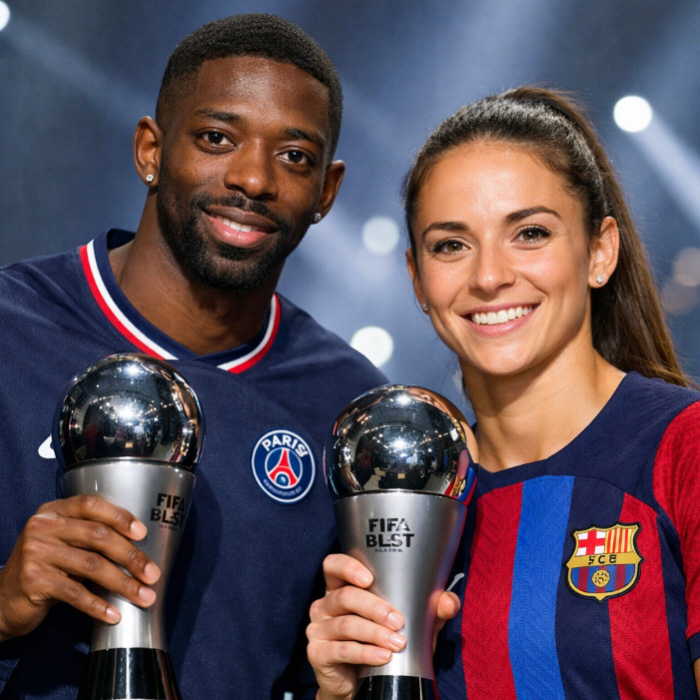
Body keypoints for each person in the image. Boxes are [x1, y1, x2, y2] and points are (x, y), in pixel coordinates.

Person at [0, 13, 386, 699]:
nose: (253, 178)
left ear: (326, 193)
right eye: (216, 138)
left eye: (294, 156)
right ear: (150, 149)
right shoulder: (12, 330)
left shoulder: (349, 409)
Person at [306, 87, 700, 699]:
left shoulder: (684, 447)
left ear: (600, 251)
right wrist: (339, 691)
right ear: (417, 280)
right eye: (451, 245)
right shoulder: (398, 497)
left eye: (530, 233)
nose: (489, 276)